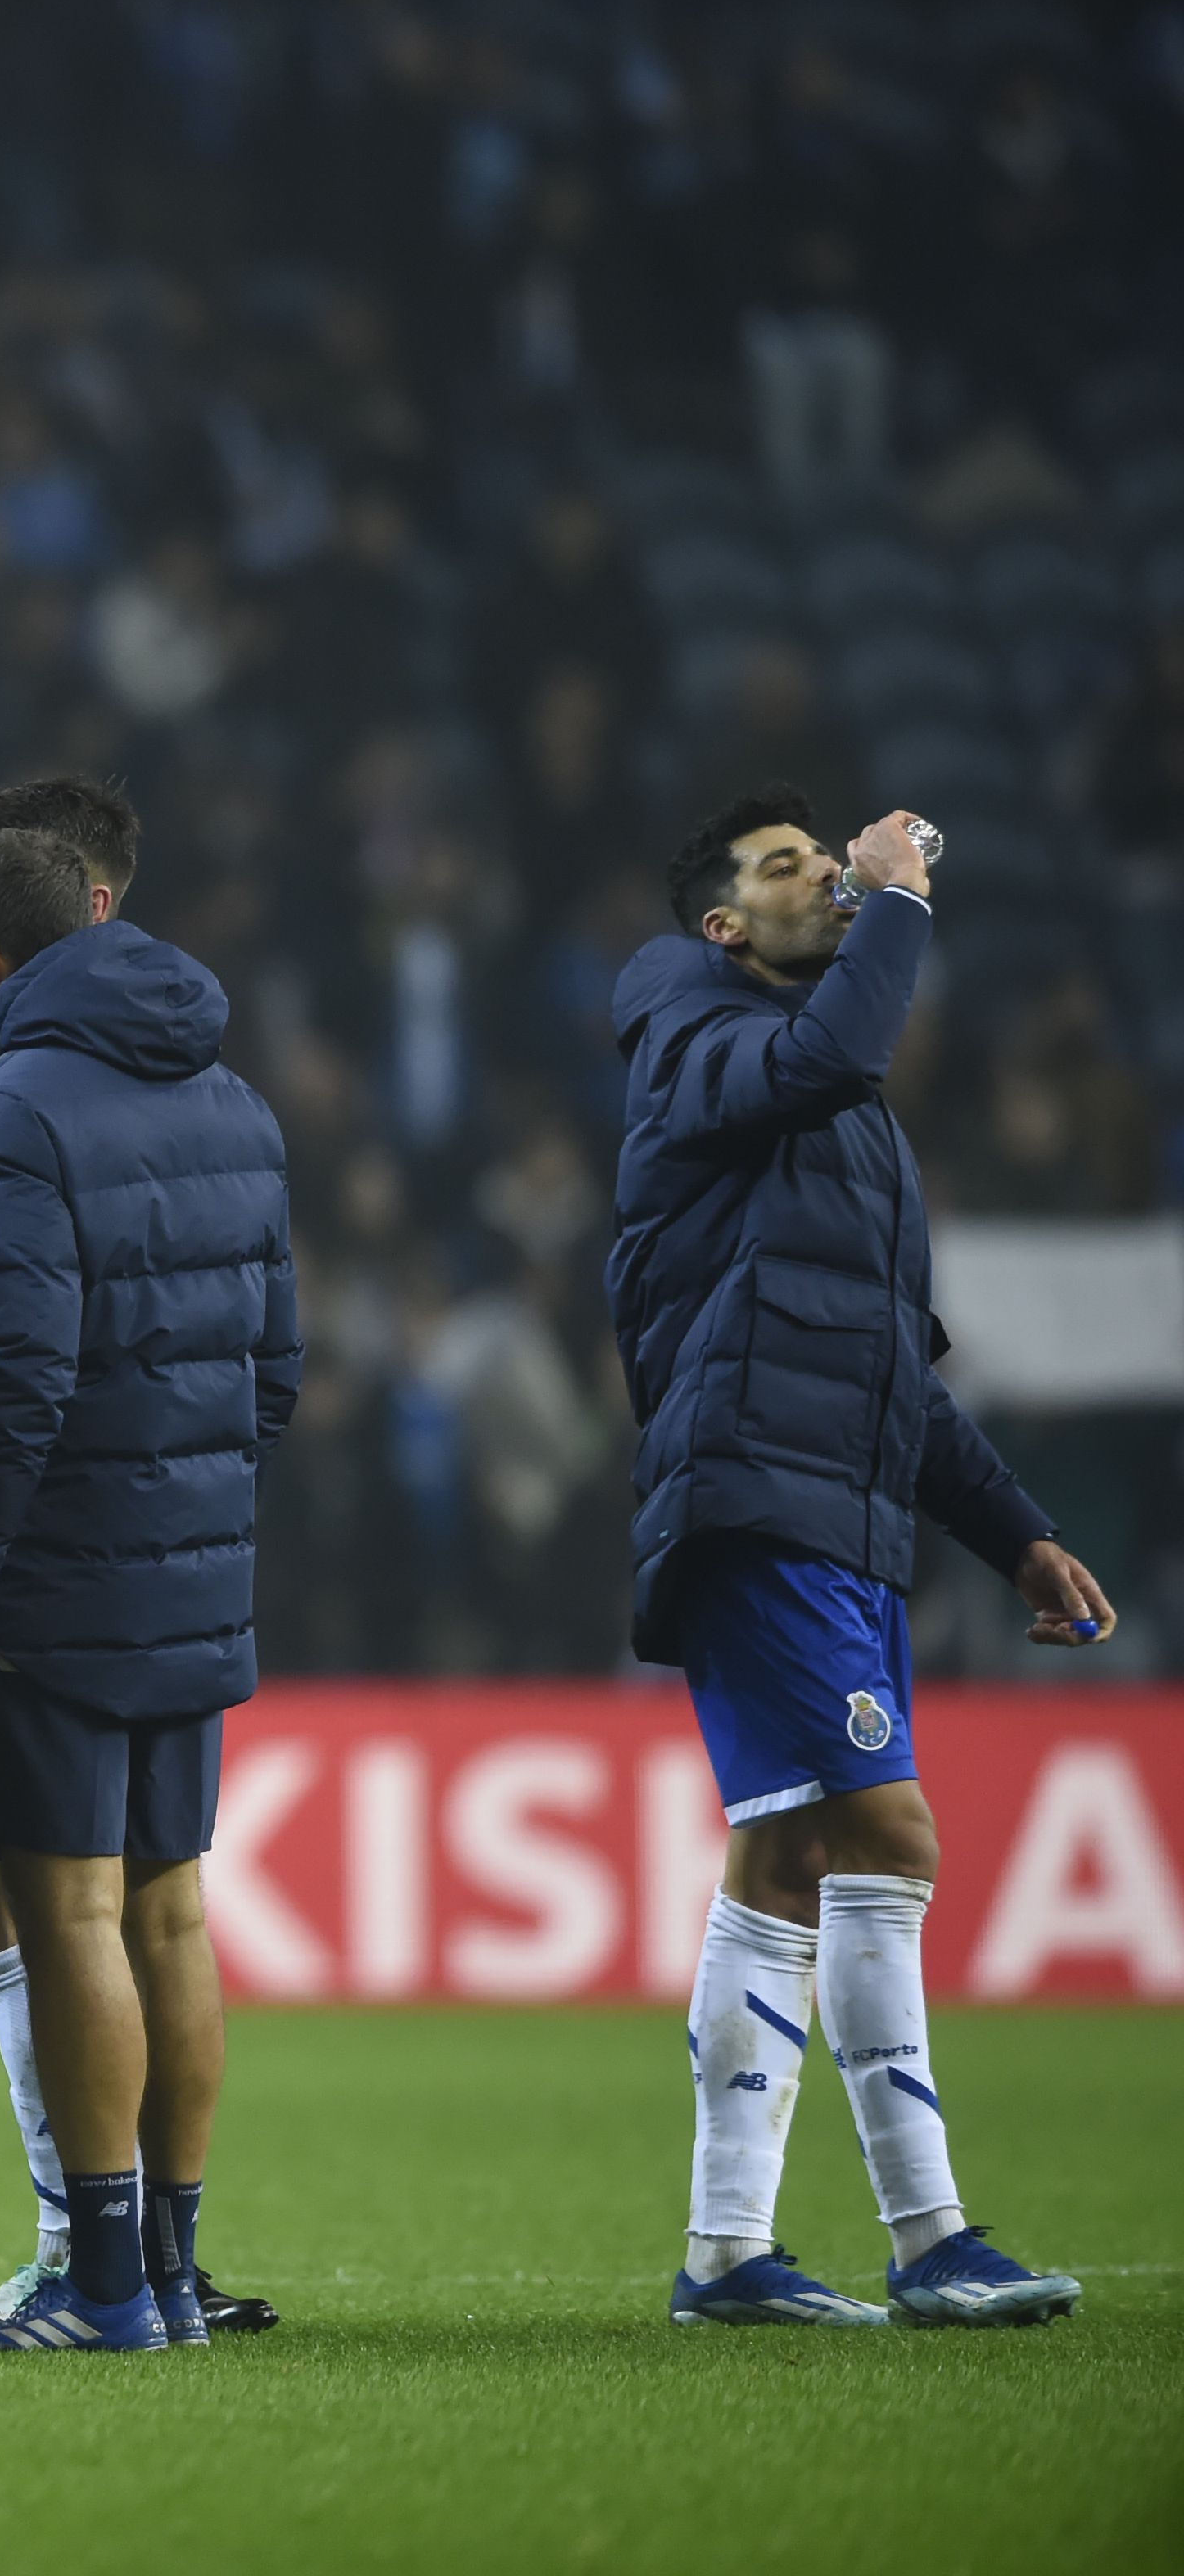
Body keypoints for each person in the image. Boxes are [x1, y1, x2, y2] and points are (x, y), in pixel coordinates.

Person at [610, 797, 1108, 2329]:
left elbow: (893, 1372)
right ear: (721, 925)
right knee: (889, 1838)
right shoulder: (696, 1050)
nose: (824, 876)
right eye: (788, 869)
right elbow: (825, 1050)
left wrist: (1013, 1532)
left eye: (834, 861)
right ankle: (927, 2236)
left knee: (784, 1862)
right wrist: (897, 903)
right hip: (758, 1505)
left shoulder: (842, 1130)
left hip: (841, 1516)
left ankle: (724, 2255)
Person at [0, 776, 278, 2345]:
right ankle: (166, 2268)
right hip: (196, 1567)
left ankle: (99, 2284)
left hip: (54, 1575)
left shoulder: (23, 1112)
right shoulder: (234, 1098)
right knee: (171, 1916)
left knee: (76, 1919)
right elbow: (279, 1365)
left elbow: (9, 1380)